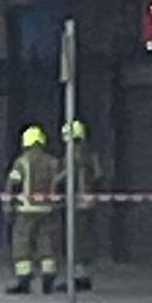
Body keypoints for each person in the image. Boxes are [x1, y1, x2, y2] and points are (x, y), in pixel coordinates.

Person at [5, 125, 59, 294]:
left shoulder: (22, 162)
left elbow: (13, 185)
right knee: (46, 242)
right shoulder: (53, 162)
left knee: (23, 243)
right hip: (47, 210)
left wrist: (8, 205)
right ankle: (48, 277)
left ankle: (24, 279)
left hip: (25, 210)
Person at [60, 120, 108, 291]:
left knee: (75, 240)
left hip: (77, 202)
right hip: (89, 201)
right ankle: (84, 275)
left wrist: (55, 183)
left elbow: (67, 176)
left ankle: (77, 278)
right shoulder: (91, 154)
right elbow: (99, 176)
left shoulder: (73, 155)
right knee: (85, 238)